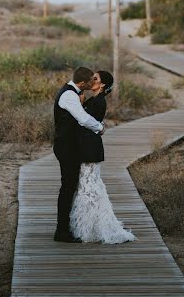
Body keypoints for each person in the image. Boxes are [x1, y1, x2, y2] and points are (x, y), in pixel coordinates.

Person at [70, 70, 136, 243]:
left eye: (96, 78)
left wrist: (82, 107)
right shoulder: (93, 100)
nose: (92, 80)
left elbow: (86, 123)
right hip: (87, 146)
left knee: (89, 187)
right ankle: (89, 225)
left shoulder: (99, 102)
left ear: (103, 84)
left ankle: (89, 228)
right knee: (88, 185)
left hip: (90, 148)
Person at [53, 66, 105, 243]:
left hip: (70, 147)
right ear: (82, 83)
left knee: (70, 186)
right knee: (67, 187)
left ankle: (66, 227)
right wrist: (100, 127)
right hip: (66, 147)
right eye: (91, 81)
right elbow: (82, 118)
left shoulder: (73, 94)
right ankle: (61, 231)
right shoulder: (68, 95)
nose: (93, 83)